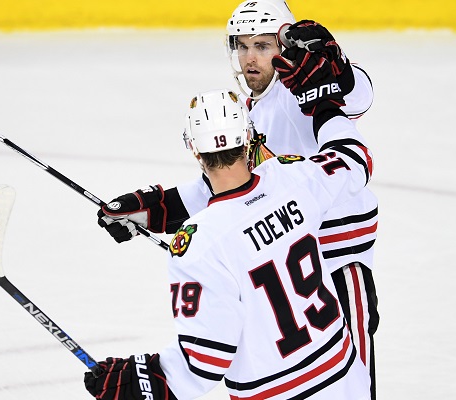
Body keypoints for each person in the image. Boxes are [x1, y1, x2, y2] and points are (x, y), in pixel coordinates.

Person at [97, 1, 379, 398]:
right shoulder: (252, 111)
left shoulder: (295, 90)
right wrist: (154, 208)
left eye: (263, 46)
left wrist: (335, 72)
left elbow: (356, 95)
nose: (250, 58)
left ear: (287, 44)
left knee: (353, 383)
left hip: (336, 262)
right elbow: (235, 189)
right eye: (242, 46)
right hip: (283, 262)